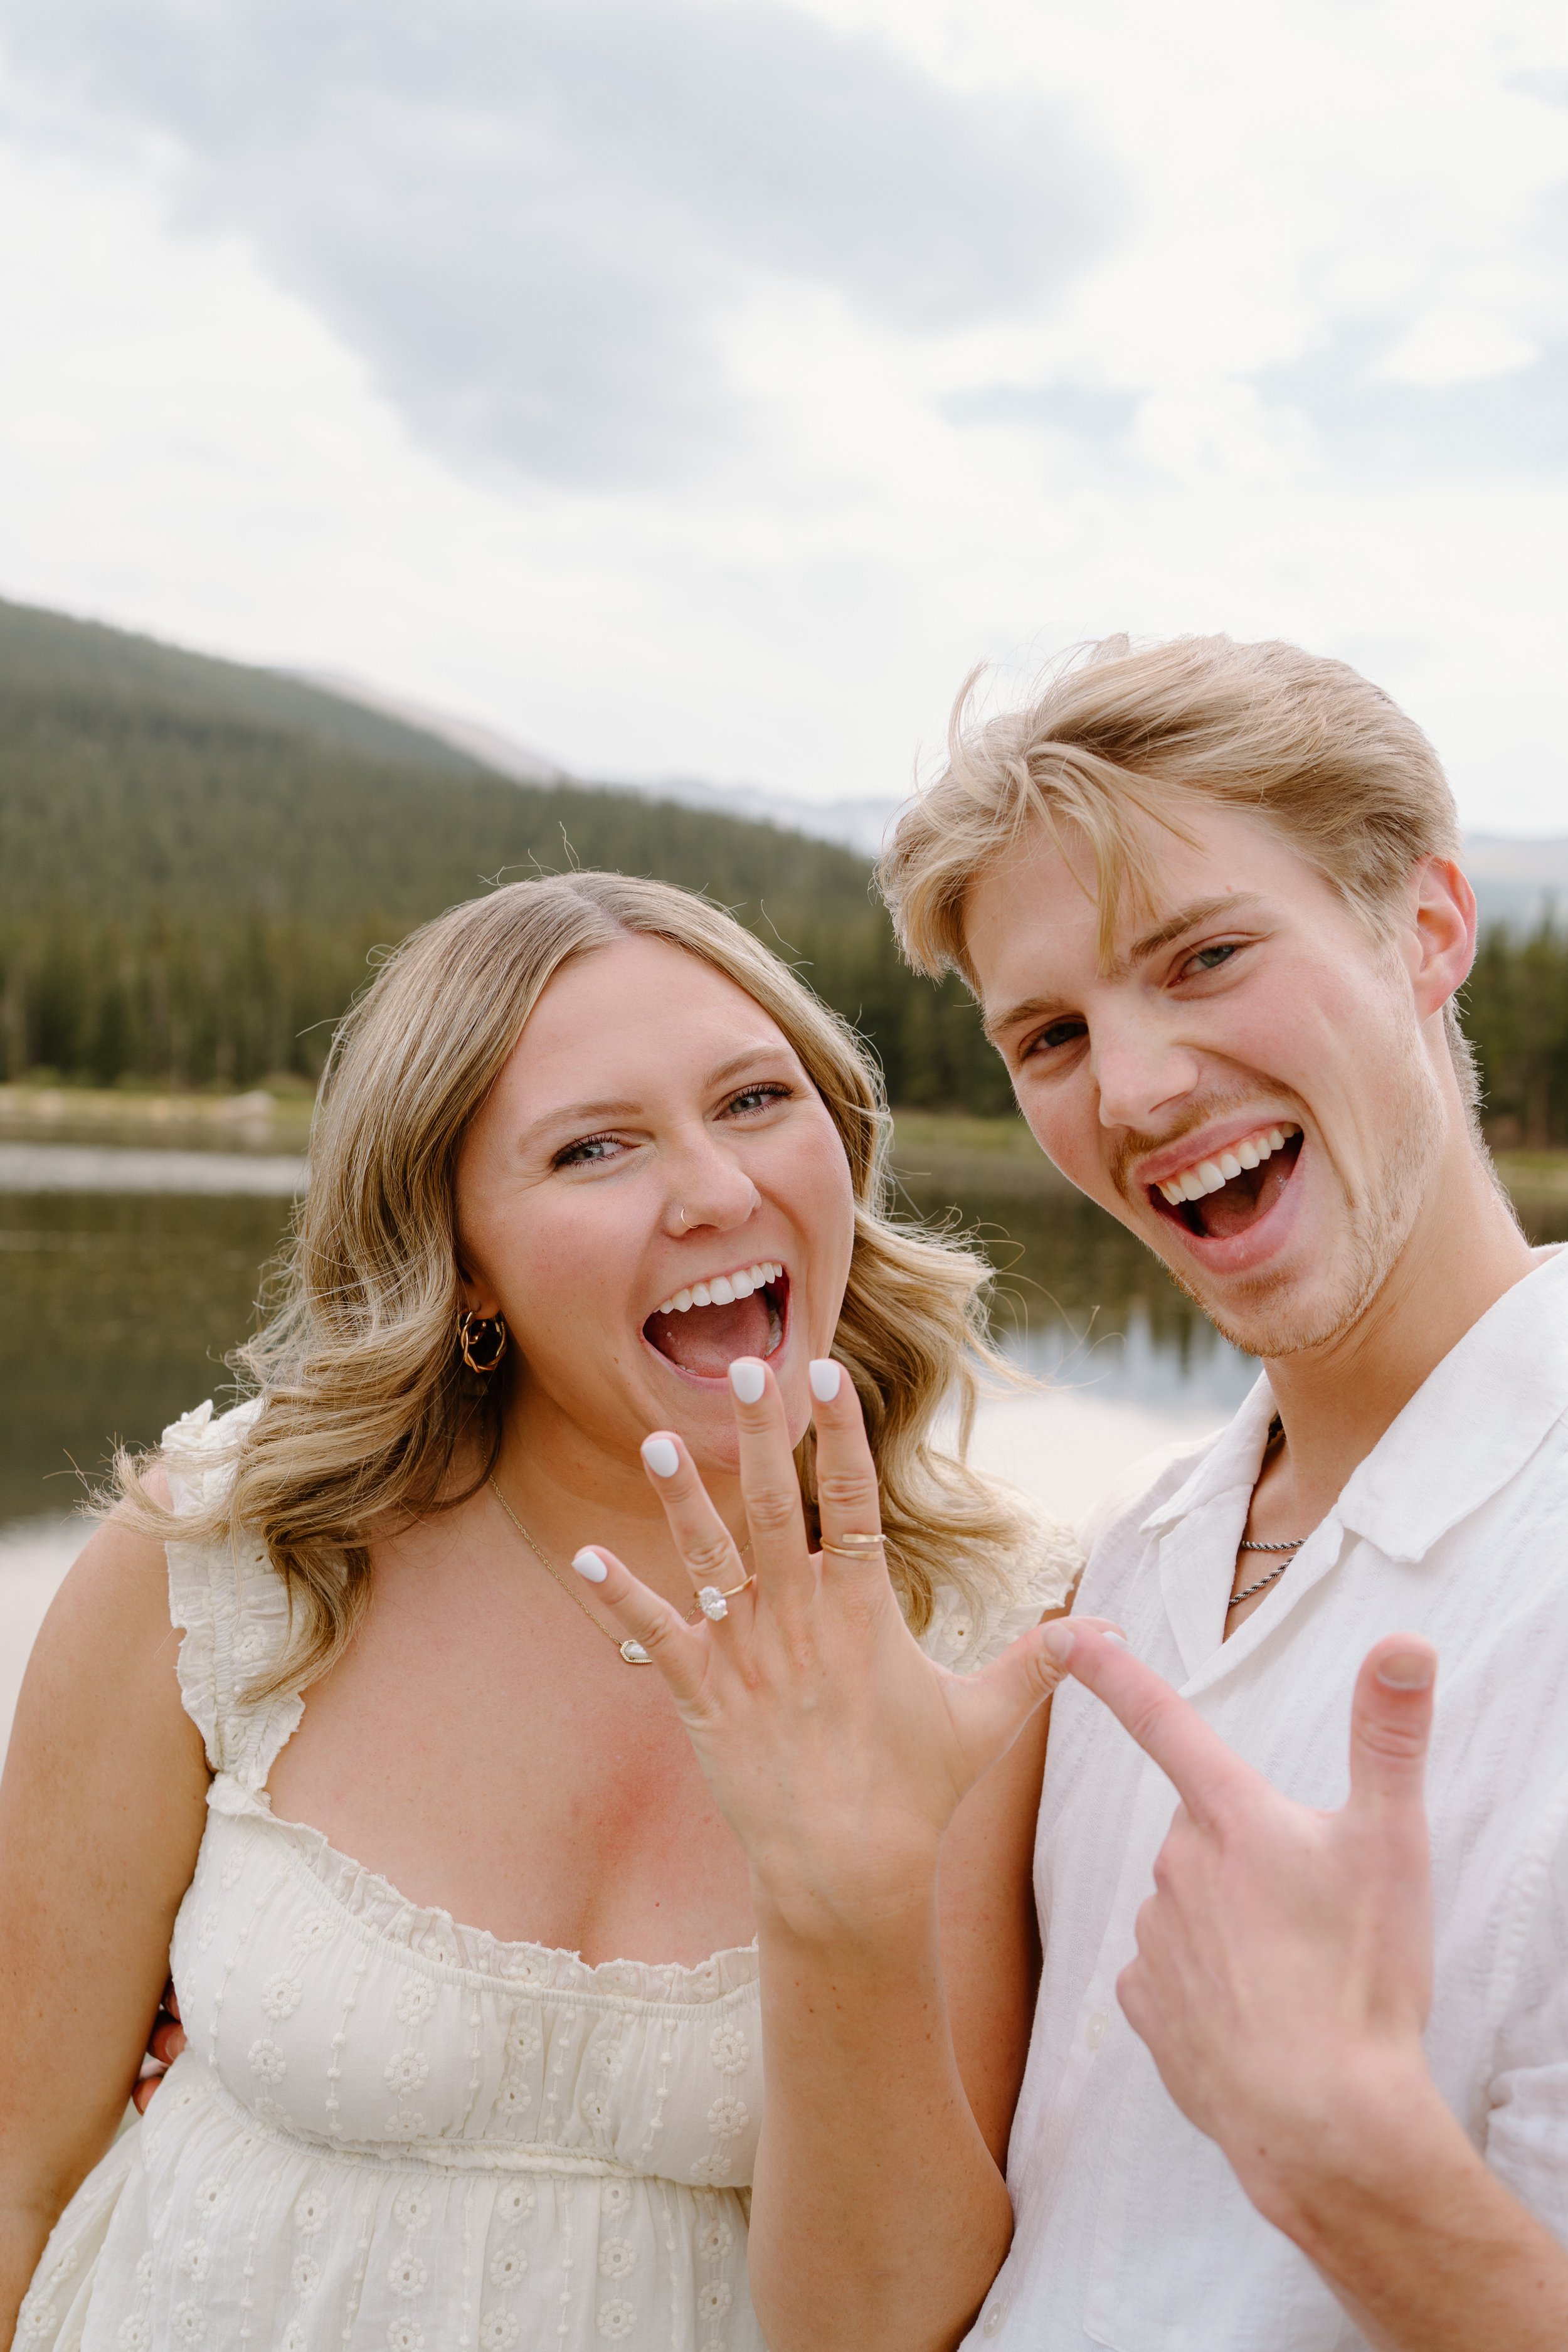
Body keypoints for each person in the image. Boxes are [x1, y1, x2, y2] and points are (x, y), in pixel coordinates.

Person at [0, 872, 1081, 2352]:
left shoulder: (984, 1636)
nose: (712, 1189)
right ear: (463, 1262)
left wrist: (847, 1894)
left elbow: (894, 2326)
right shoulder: (231, 1557)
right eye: (593, 1148)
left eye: (758, 1100)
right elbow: (15, 2171)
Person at [870, 633, 1568, 2349]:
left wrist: (1345, 2165)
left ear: (1420, 927)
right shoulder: (1129, 1552)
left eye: (1205, 956)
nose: (1133, 1089)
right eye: (1049, 1033)